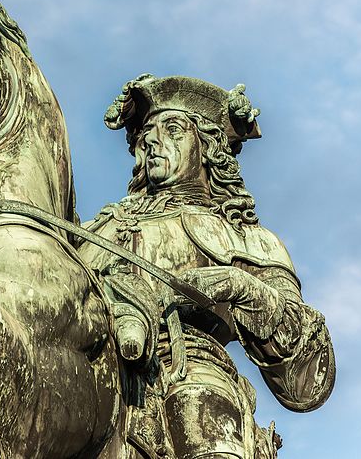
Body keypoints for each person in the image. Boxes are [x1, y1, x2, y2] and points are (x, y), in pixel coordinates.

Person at [78, 75, 335, 459]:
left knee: (201, 412)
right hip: (85, 355)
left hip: (185, 365)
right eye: (147, 131)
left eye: (173, 128)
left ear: (208, 147)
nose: (151, 139)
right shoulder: (98, 228)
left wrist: (238, 285)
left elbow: (306, 385)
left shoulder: (246, 237)